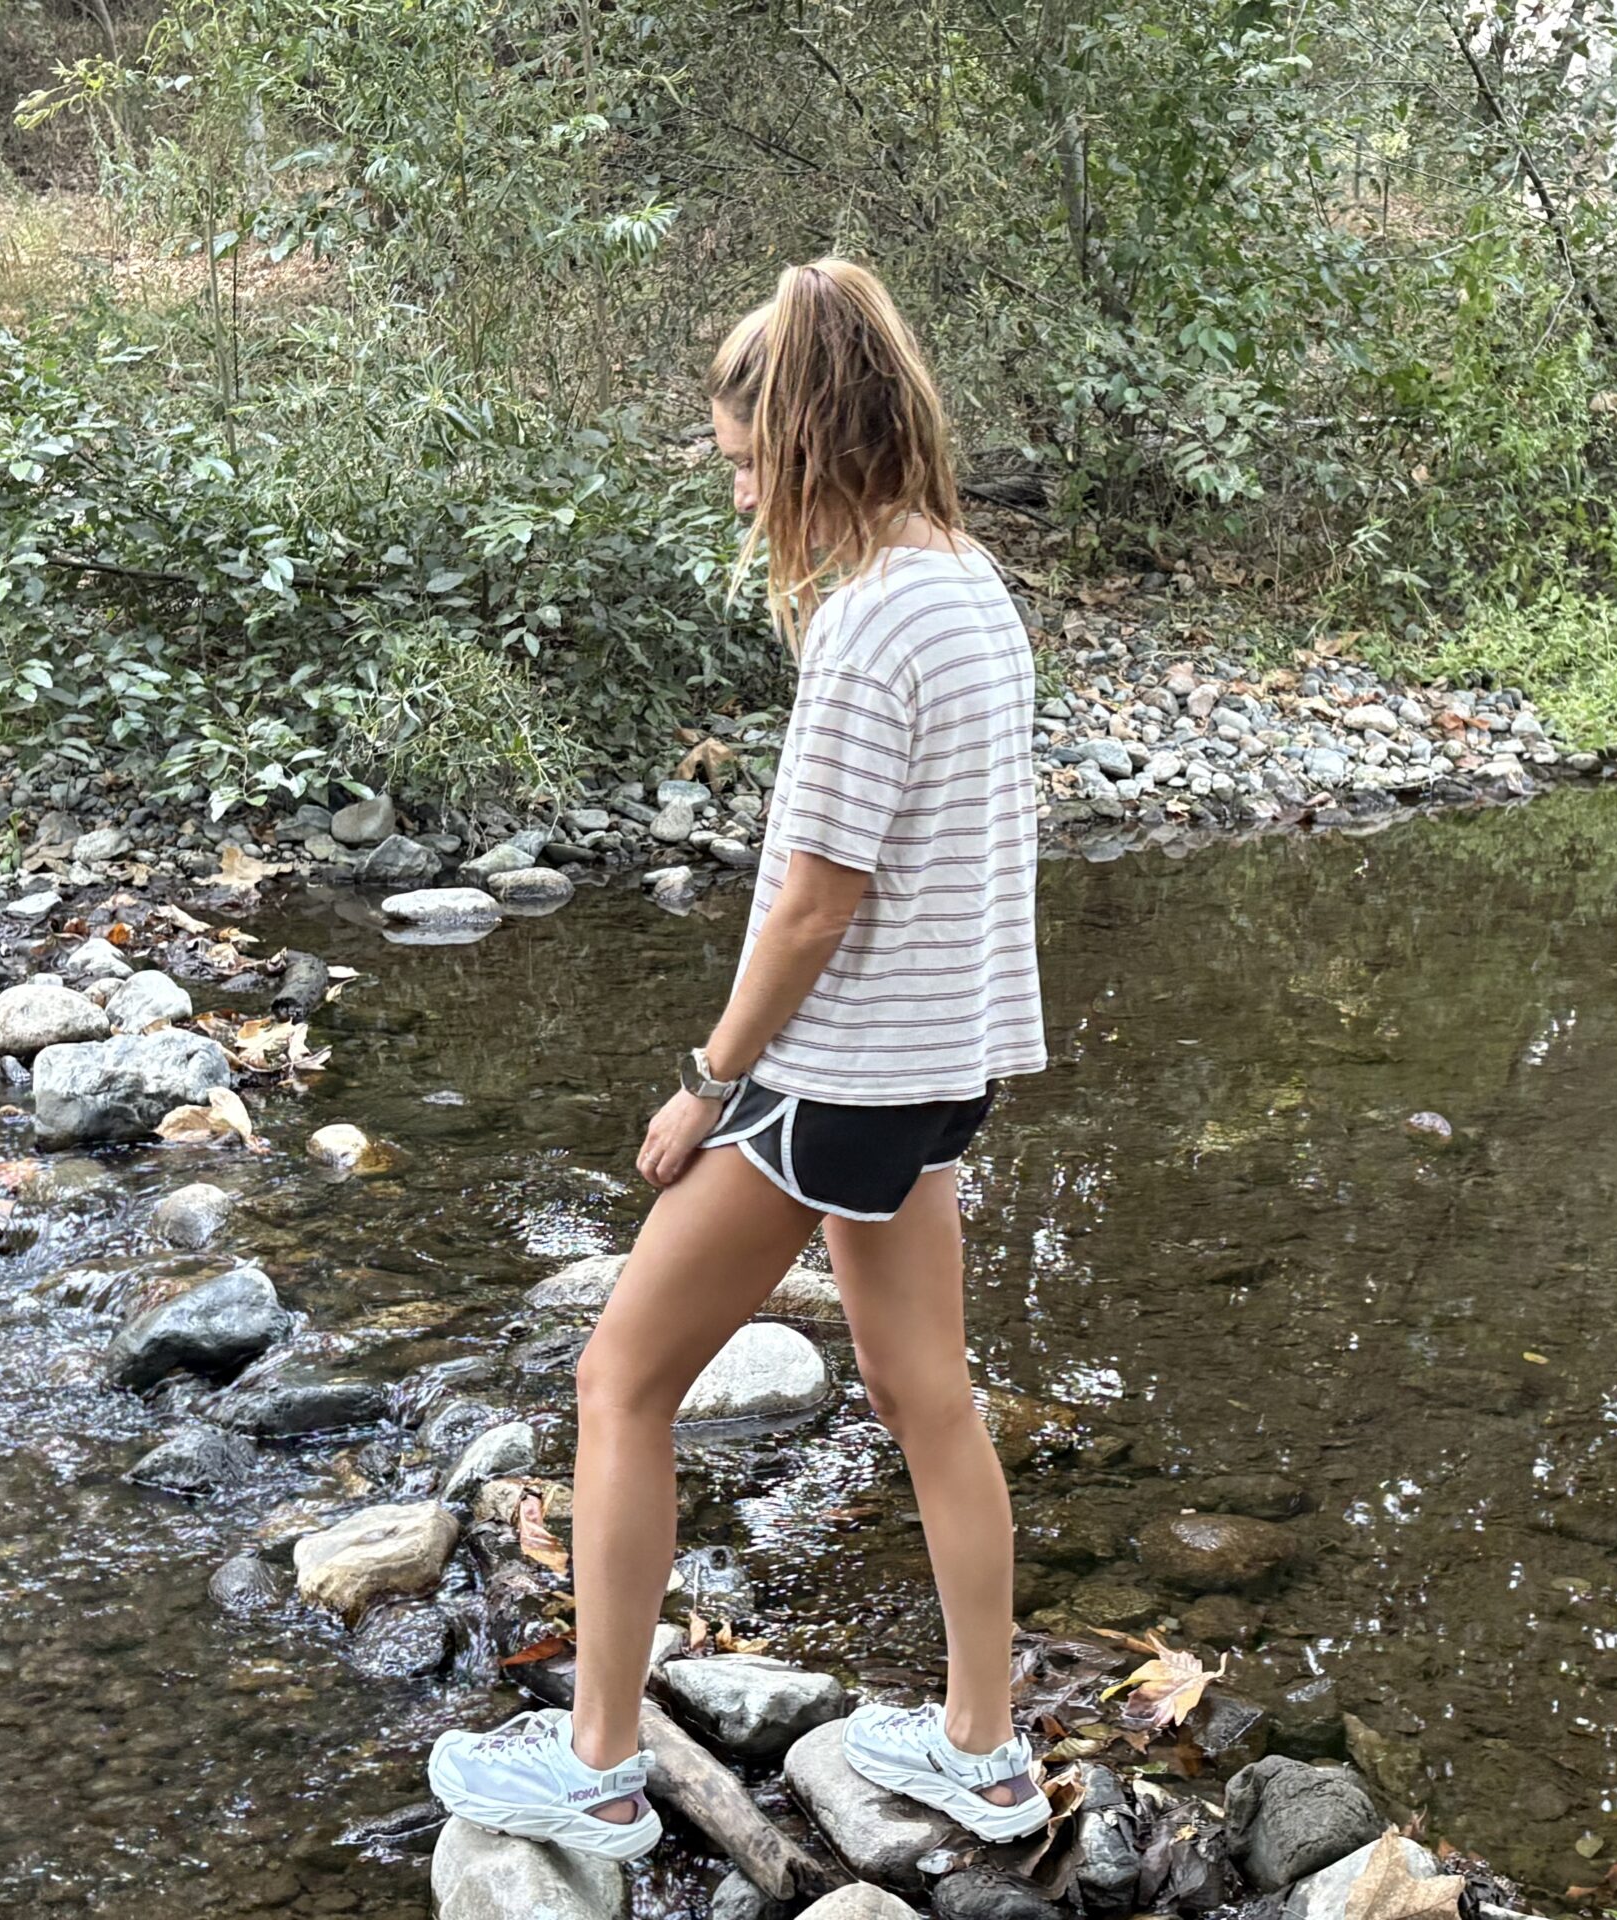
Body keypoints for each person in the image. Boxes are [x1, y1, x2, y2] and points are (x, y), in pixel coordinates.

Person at [429, 257, 1048, 1861]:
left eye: (743, 457)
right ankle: (986, 1753)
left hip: (835, 1080)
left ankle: (596, 1765)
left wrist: (707, 1080)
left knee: (619, 1380)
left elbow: (815, 908)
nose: (735, 488)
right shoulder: (970, 584)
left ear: (811, 437)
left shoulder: (868, 626)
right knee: (925, 1396)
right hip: (941, 1069)